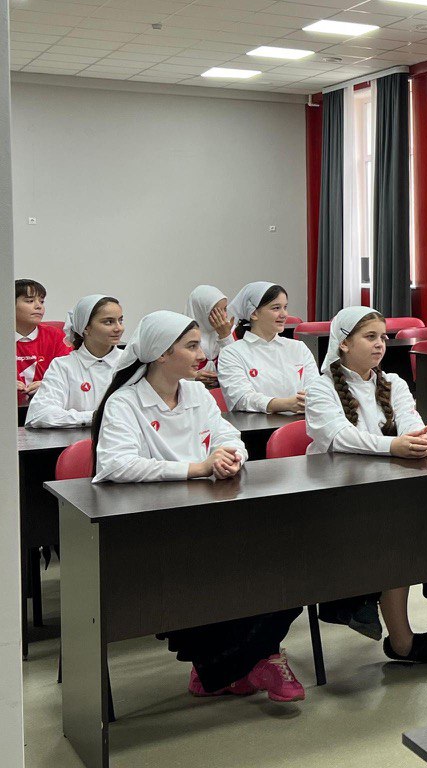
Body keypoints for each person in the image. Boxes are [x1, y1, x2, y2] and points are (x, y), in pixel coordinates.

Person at [92, 310, 304, 701]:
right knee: (211, 570)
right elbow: (115, 464)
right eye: (191, 346)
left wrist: (230, 457)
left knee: (291, 560)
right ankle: (254, 663)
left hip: (209, 514)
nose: (202, 354)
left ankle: (228, 669)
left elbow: (230, 437)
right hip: (153, 529)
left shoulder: (196, 393)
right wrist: (196, 468)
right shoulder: (124, 403)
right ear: (161, 354)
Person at [305, 306, 427, 664]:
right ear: (344, 344)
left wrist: (421, 441)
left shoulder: (394, 383)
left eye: (383, 337)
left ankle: (395, 613)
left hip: (386, 490)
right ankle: (401, 640)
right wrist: (393, 446)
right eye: (370, 337)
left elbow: (413, 425)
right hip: (336, 497)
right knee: (397, 530)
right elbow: (339, 437)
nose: (380, 344)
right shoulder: (319, 387)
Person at [217, 282, 318, 414]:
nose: (284, 314)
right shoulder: (232, 353)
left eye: (285, 307)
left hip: (302, 421)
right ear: (253, 313)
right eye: (276, 308)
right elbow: (242, 399)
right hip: (258, 425)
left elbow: (316, 388)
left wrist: (309, 400)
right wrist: (287, 404)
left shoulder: (298, 348)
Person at [26, 294, 124, 428]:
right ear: (85, 328)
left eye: (120, 321)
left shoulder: (131, 362)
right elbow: (40, 414)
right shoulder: (63, 365)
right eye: (108, 322)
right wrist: (95, 417)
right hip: (76, 439)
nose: (119, 328)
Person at [15, 279, 71, 394]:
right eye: (30, 301)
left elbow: (71, 374)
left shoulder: (56, 336)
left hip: (48, 400)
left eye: (41, 301)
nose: (38, 306)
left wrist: (48, 384)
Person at [186, 285, 235, 386]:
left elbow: (239, 368)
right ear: (201, 312)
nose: (224, 316)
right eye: (217, 312)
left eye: (225, 309)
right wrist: (192, 377)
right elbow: (167, 374)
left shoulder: (231, 331)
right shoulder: (181, 335)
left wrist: (226, 337)